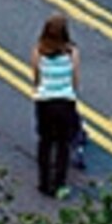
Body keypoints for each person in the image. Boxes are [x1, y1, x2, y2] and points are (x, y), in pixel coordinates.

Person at [31, 15, 82, 198]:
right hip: (64, 102)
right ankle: (59, 183)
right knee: (62, 144)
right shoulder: (71, 52)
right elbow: (75, 79)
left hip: (44, 102)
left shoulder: (38, 51)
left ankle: (44, 183)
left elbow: (36, 77)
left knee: (45, 142)